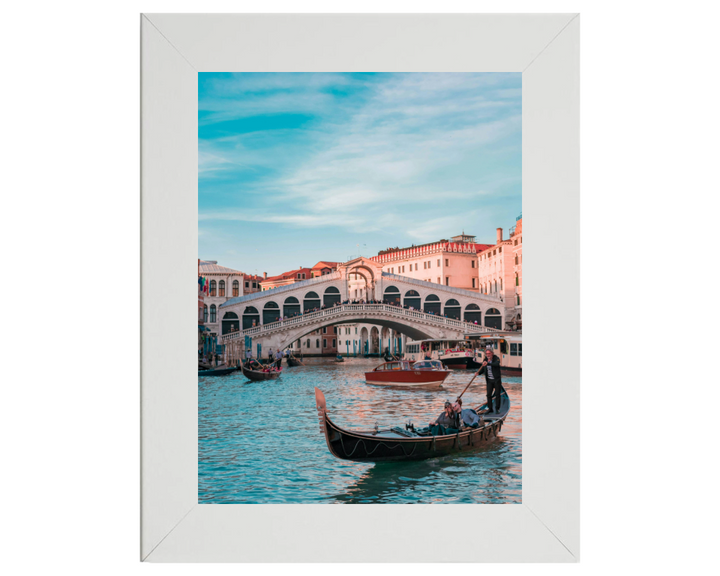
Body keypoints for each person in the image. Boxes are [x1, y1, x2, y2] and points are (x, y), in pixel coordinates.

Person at [476, 346, 502, 413]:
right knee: (488, 395)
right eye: (487, 354)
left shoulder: (496, 358)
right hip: (489, 380)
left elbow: (496, 364)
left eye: (489, 353)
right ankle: (490, 409)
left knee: (497, 394)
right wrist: (478, 373)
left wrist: (488, 363)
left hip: (496, 380)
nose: (488, 355)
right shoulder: (485, 360)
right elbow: (483, 369)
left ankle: (497, 409)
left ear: (492, 353)